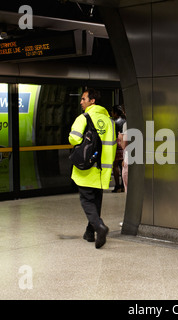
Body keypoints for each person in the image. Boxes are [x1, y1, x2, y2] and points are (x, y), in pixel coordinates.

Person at [68, 88, 116, 249]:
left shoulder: (83, 118)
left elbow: (73, 138)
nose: (81, 102)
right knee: (96, 201)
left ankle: (99, 226)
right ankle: (90, 233)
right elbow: (112, 145)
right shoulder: (109, 121)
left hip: (87, 168)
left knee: (87, 200)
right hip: (102, 169)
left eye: (83, 99)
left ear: (92, 101)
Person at [111, 105, 126, 192]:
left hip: (117, 143)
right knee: (122, 165)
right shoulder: (125, 120)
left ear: (116, 113)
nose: (111, 113)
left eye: (112, 111)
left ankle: (117, 186)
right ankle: (124, 185)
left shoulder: (114, 122)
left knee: (115, 165)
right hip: (124, 142)